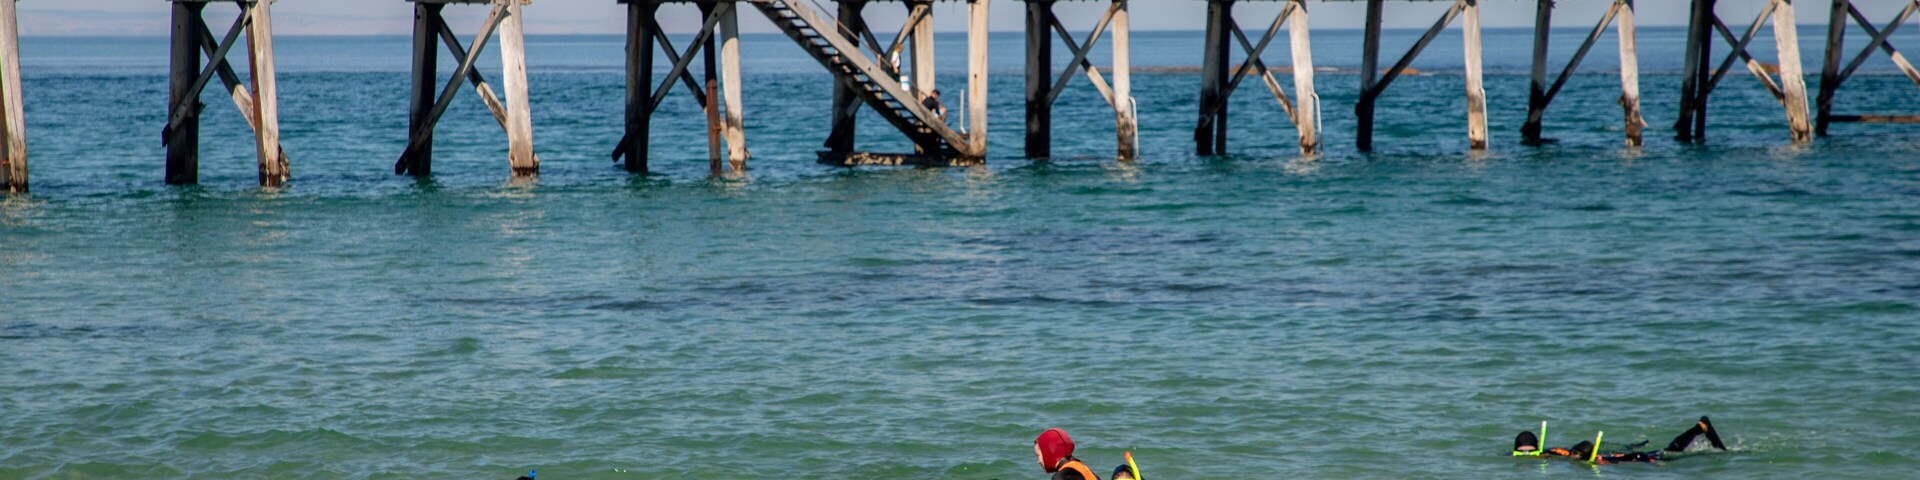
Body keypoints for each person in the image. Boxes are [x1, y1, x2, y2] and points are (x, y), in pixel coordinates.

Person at [1512, 416, 1728, 464]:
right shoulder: (1550, 452)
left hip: (1643, 457)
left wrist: (1649, 461)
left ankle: (1700, 428)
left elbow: (1633, 457)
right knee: (1671, 452)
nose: (1526, 455)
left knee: (1672, 452)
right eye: (1523, 452)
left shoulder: (1562, 453)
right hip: (1635, 457)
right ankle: (1699, 429)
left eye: (1528, 451)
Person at [1035, 428, 1101, 480]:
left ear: (1048, 453)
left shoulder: (1061, 477)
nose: (1038, 461)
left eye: (1038, 455)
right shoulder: (1082, 469)